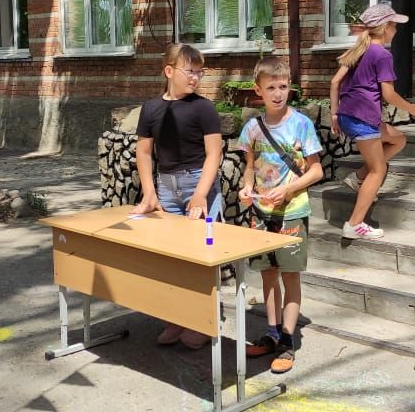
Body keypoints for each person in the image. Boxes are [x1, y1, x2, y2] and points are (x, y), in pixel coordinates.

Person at [131, 43, 223, 350]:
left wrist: (200, 195)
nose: (195, 77)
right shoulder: (151, 109)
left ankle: (202, 322)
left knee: (202, 256)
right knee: (171, 258)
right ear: (169, 71)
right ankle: (177, 318)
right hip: (166, 187)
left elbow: (214, 154)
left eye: (199, 72)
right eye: (189, 71)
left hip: (199, 183)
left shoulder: (204, 108)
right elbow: (144, 153)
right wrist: (149, 192)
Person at [236, 56, 324, 374]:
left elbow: (316, 171)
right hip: (261, 213)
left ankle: (287, 340)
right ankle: (272, 334)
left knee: (290, 276)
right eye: (271, 87)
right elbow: (249, 168)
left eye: (283, 87)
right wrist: (247, 188)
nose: (278, 93)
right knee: (268, 275)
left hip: (292, 213)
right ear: (258, 90)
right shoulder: (252, 128)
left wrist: (288, 189)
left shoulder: (301, 124)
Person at [330, 3, 415, 239]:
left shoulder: (360, 49)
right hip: (363, 119)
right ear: (385, 27)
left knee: (399, 139)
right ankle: (354, 224)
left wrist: (334, 115)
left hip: (348, 116)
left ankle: (358, 178)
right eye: (394, 25)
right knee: (378, 170)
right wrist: (412, 108)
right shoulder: (382, 54)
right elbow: (388, 94)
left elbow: (334, 82)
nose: (396, 30)